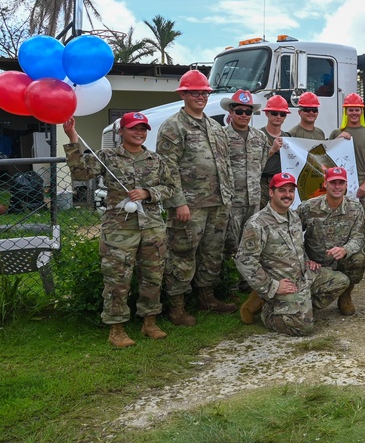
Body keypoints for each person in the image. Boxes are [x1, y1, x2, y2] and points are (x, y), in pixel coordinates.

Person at [63, 113, 175, 347]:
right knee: (117, 278)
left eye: (143, 129)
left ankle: (149, 322)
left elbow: (170, 188)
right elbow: (80, 173)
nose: (140, 133)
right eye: (134, 128)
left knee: (153, 276)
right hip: (119, 227)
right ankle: (116, 329)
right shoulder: (107, 157)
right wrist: (73, 136)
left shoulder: (156, 160)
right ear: (121, 131)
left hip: (152, 226)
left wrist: (148, 193)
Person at [157, 70, 235, 323]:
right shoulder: (173, 127)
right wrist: (178, 202)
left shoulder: (214, 126)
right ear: (183, 94)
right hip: (190, 205)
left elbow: (225, 164)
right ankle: (177, 307)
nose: (200, 96)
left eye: (204, 92)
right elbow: (167, 168)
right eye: (194, 92)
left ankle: (207, 298)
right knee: (182, 253)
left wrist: (228, 197)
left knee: (212, 253)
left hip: (218, 203)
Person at [235, 173, 345, 336]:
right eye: (282, 190)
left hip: (303, 276)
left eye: (290, 191)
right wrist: (272, 286)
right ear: (271, 193)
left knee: (341, 281)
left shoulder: (293, 216)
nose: (287, 195)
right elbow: (244, 261)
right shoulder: (258, 224)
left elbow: (296, 245)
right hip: (282, 283)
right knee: (304, 328)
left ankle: (298, 308)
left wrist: (307, 261)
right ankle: (269, 312)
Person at [297, 166, 365, 315]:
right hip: (314, 262)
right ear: (325, 184)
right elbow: (293, 237)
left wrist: (346, 249)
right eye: (333, 182)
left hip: (340, 260)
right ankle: (306, 301)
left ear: (346, 185)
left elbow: (358, 237)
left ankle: (345, 295)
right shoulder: (308, 207)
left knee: (358, 259)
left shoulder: (355, 208)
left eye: (341, 183)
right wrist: (306, 259)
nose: (337, 187)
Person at [328, 93, 365, 274]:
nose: (354, 113)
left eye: (357, 109)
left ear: (361, 111)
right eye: (351, 109)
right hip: (340, 184)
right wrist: (337, 139)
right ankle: (341, 256)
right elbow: (328, 156)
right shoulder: (336, 133)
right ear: (346, 111)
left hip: (362, 182)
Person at [221, 90, 269, 267]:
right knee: (231, 243)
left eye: (248, 112)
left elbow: (261, 164)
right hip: (232, 200)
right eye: (239, 111)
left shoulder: (260, 137)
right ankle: (231, 284)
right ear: (231, 112)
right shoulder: (221, 137)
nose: (244, 115)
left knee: (251, 240)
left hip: (253, 200)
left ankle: (247, 281)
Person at [259, 95, 291, 207]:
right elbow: (253, 162)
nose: (278, 117)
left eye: (282, 114)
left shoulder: (288, 138)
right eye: (274, 113)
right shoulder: (258, 135)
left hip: (280, 185)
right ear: (267, 113)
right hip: (262, 184)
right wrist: (272, 150)